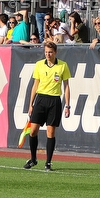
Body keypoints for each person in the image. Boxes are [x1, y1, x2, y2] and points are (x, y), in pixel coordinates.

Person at [23, 40, 72, 172]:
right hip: (40, 99)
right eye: (46, 52)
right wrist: (31, 104)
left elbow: (66, 86)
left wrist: (68, 105)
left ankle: (48, 162)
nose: (48, 55)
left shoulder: (62, 66)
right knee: (33, 131)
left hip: (54, 100)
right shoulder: (39, 65)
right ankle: (33, 159)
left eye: (50, 52)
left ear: (55, 52)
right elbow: (35, 85)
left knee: (51, 132)